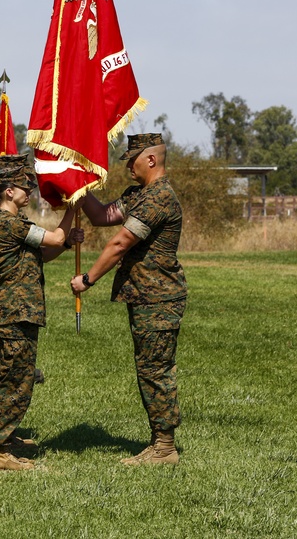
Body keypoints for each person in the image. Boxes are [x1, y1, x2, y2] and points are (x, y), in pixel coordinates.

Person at [70, 133, 188, 466]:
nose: (127, 167)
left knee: (155, 370)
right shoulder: (140, 194)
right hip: (145, 297)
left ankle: (164, 448)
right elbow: (103, 216)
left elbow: (120, 243)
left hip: (159, 299)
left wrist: (88, 279)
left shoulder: (160, 198)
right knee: (148, 368)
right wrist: (79, 190)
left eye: (131, 160)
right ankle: (159, 443)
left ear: (150, 159)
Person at [0, 154, 80, 471]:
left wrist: (63, 245)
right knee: (14, 379)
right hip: (13, 313)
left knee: (6, 375)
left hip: (11, 312)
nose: (30, 192)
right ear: (8, 190)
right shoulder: (8, 224)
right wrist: (74, 208)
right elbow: (55, 237)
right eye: (25, 186)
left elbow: (42, 253)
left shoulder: (0, 221)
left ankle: (4, 437)